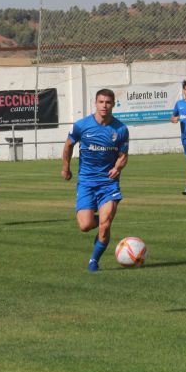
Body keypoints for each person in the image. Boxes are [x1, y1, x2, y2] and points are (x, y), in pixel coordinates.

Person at [62, 88, 130, 272]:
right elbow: (68, 145)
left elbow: (123, 155)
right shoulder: (82, 125)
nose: (104, 106)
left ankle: (94, 261)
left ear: (113, 104)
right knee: (85, 225)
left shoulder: (121, 129)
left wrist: (117, 167)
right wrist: (66, 167)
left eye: (108, 102)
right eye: (101, 102)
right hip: (86, 182)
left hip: (108, 183)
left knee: (105, 224)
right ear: (95, 102)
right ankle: (102, 221)